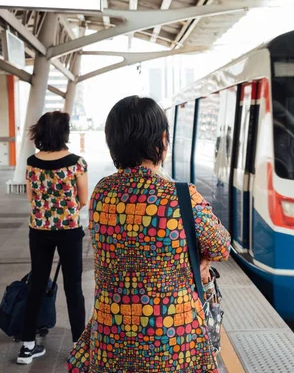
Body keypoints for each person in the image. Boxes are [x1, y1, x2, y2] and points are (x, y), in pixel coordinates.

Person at [68, 96, 231, 373]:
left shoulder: (102, 192)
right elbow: (221, 246)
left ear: (114, 142)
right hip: (172, 339)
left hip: (112, 335)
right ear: (162, 140)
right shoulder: (179, 196)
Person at [18, 111, 88, 364]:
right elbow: (83, 199)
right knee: (73, 289)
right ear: (64, 132)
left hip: (38, 230)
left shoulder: (31, 162)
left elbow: (30, 198)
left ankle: (27, 347)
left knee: (36, 284)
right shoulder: (76, 162)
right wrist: (65, 209)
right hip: (68, 231)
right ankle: (78, 348)